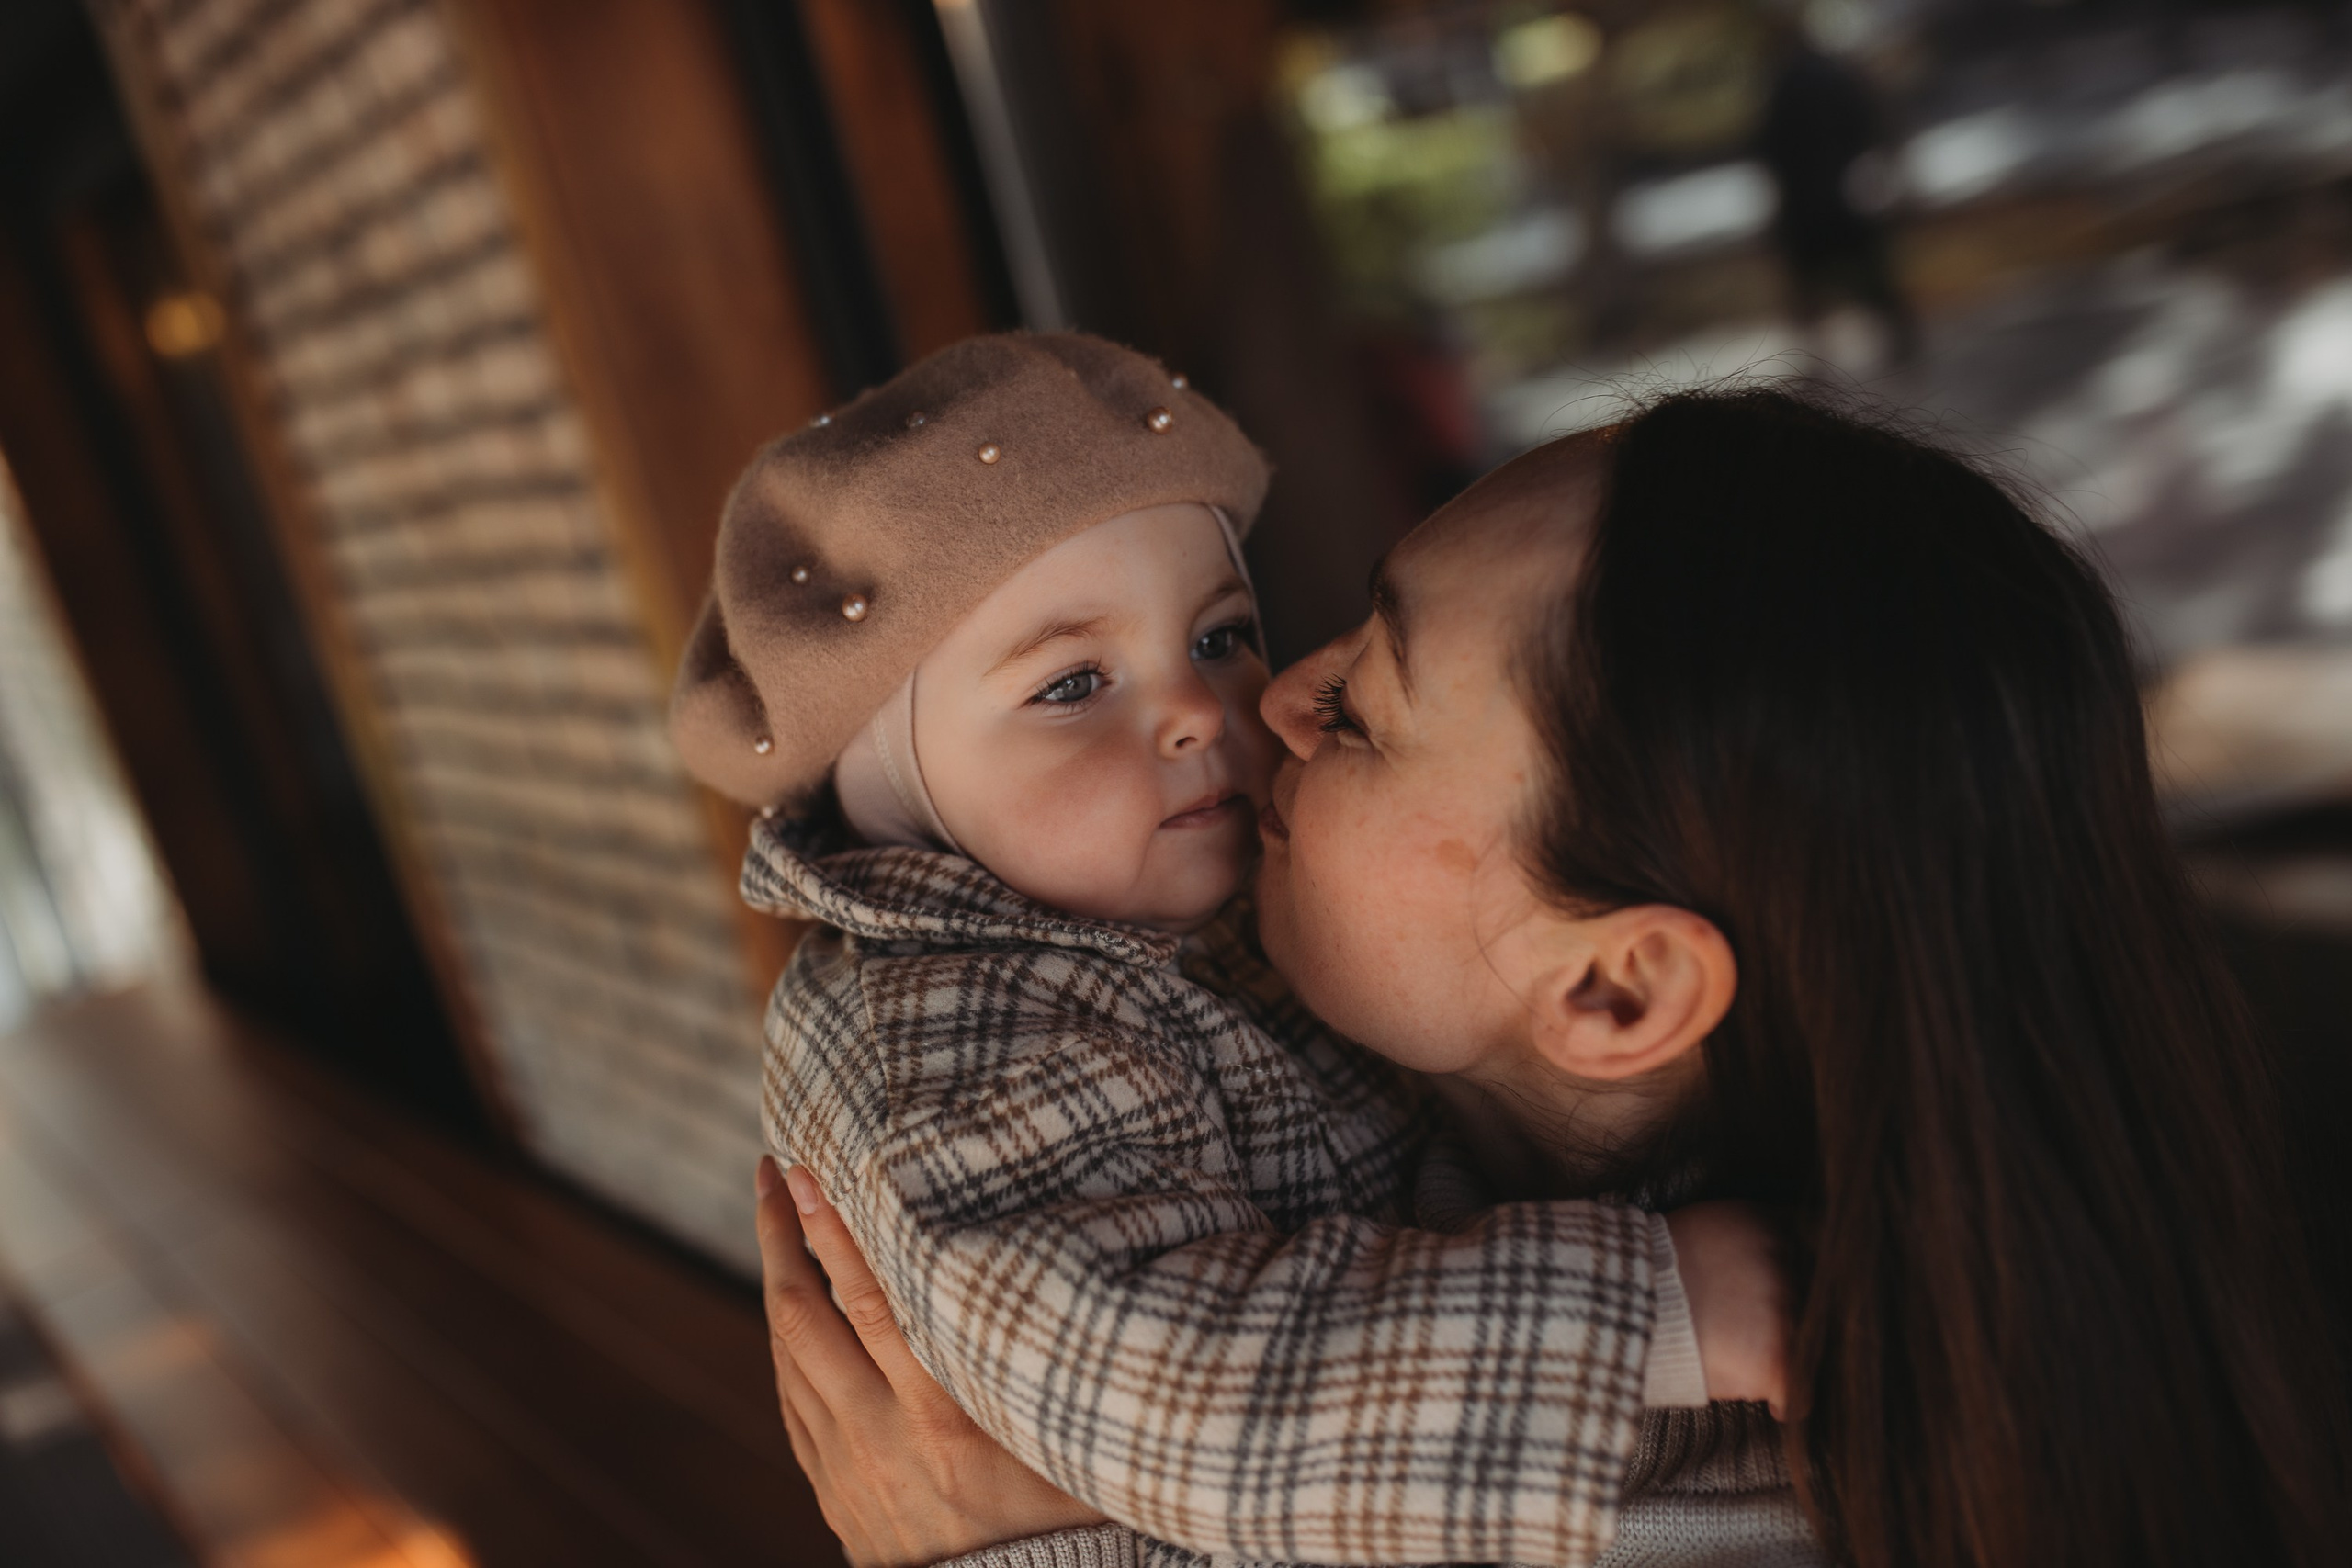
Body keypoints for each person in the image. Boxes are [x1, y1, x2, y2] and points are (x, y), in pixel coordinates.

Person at [759, 386, 2352, 1568]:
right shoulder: (1103, 1006)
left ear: (1611, 996)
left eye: (1364, 712)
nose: (1273, 703)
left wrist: (1031, 1555)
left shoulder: (1756, 1480)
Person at [673, 334, 1792, 1568]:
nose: (1208, 711)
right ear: (888, 782)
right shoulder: (946, 1029)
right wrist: (1665, 1313)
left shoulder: (1181, 922)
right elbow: (1177, 1388)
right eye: (1072, 684)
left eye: (1217, 637)